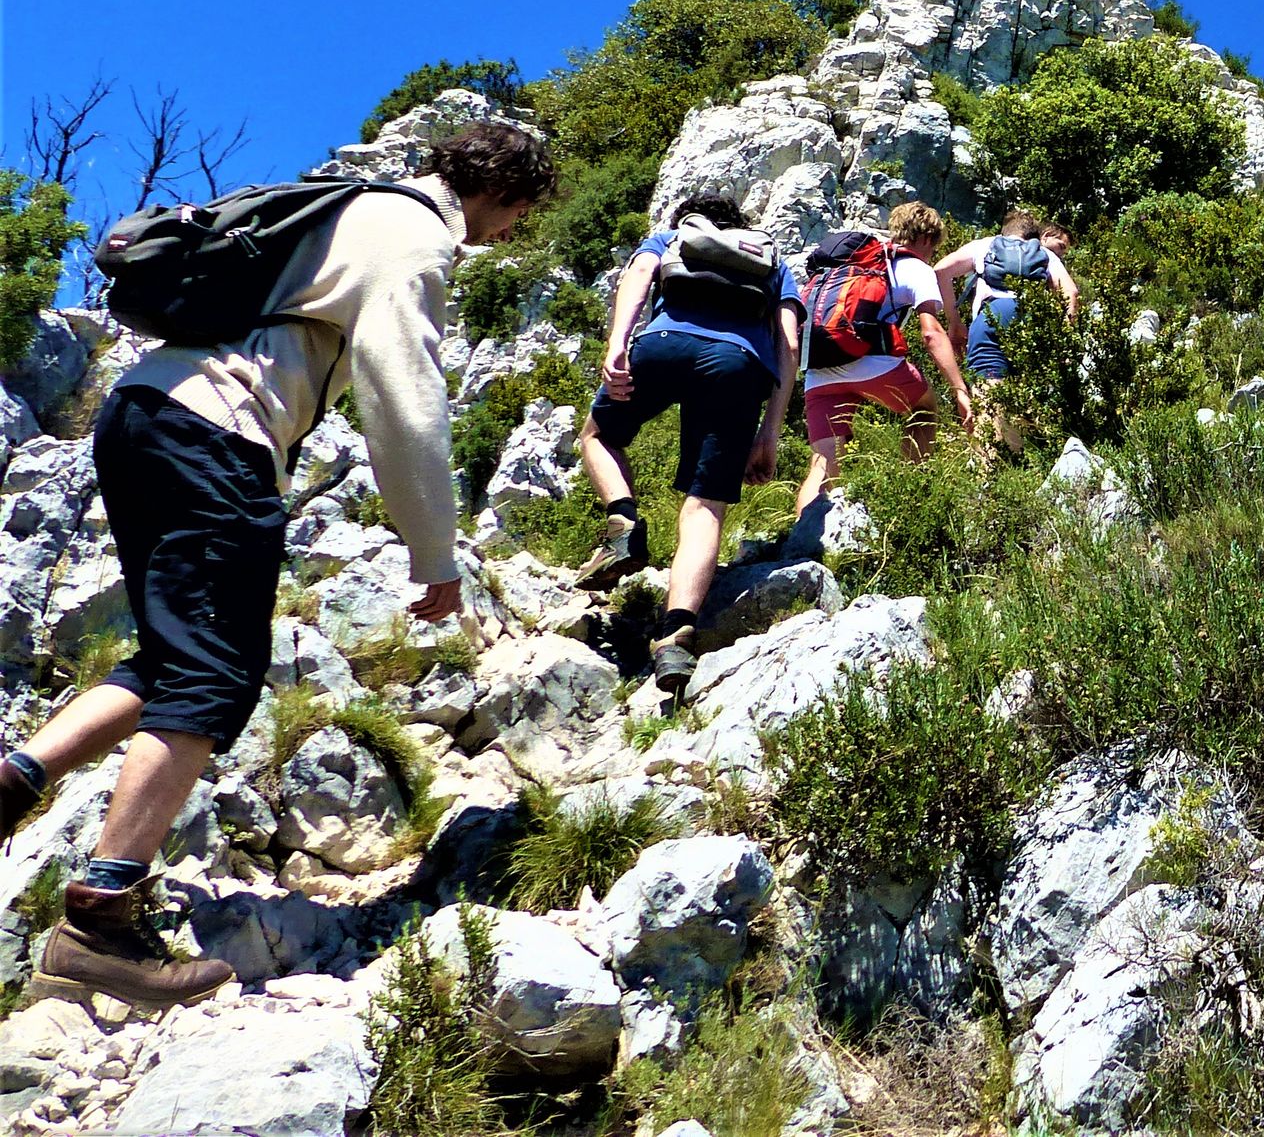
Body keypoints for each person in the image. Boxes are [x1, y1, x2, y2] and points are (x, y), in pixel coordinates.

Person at [0, 122, 554, 1008]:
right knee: (216, 672)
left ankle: (13, 779)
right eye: (520, 214)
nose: (512, 233)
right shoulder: (415, 240)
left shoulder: (353, 209)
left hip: (145, 411)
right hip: (216, 433)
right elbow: (405, 401)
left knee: (175, 657)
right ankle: (100, 916)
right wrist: (433, 550)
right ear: (501, 192)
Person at [574, 195, 802, 697]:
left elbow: (635, 282)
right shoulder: (773, 263)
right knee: (705, 506)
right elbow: (787, 344)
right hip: (737, 367)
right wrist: (770, 431)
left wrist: (617, 345)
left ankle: (624, 521)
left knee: (598, 436)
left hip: (661, 346)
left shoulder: (669, 240)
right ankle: (675, 638)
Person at [793, 202, 974, 506]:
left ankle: (802, 539)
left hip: (818, 370)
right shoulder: (916, 267)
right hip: (874, 365)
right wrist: (959, 389)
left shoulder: (852, 264)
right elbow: (931, 333)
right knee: (925, 408)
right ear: (927, 239)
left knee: (823, 462)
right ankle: (910, 495)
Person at [933, 211, 1079, 456]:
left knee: (989, 399)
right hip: (1031, 323)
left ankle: (989, 471)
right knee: (1023, 396)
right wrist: (1064, 338)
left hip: (991, 317)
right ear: (1034, 235)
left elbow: (940, 271)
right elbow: (1071, 293)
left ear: (1006, 232)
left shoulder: (986, 244)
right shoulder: (1046, 255)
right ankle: (1019, 462)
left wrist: (954, 322)